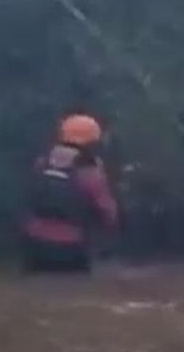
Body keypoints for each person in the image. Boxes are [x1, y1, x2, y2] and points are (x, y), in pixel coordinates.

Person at [22, 114, 119, 273]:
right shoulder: (89, 170)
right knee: (76, 292)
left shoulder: (42, 161)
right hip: (70, 247)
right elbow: (108, 212)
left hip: (33, 243)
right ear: (91, 141)